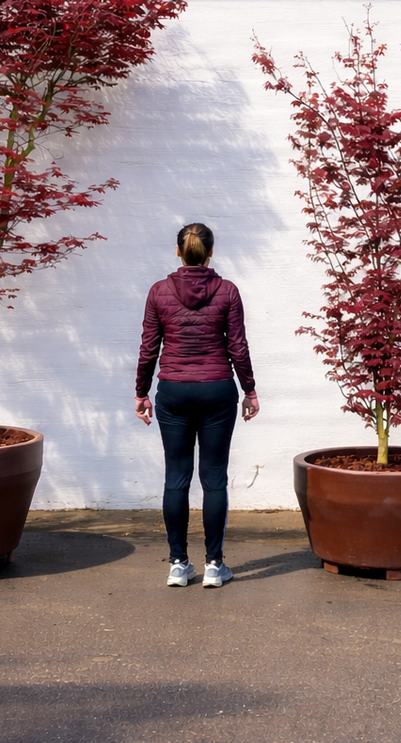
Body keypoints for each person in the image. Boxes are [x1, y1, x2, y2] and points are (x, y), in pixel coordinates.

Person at [135, 223, 259, 588]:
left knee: (176, 478)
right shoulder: (227, 291)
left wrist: (141, 392)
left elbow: (149, 348)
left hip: (173, 391)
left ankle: (178, 564)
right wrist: (250, 390)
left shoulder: (158, 291)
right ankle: (214, 566)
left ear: (178, 251)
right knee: (214, 478)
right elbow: (238, 346)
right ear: (210, 252)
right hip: (217, 390)